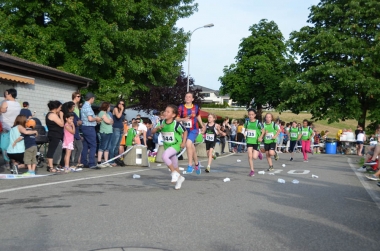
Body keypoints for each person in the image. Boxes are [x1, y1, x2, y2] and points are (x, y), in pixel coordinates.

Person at [153, 104, 187, 190]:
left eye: (168, 112)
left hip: (176, 145)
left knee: (164, 156)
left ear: (173, 115)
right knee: (174, 165)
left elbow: (185, 131)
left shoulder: (176, 124)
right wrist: (158, 128)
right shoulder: (161, 122)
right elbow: (152, 131)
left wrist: (183, 142)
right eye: (165, 111)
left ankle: (173, 173)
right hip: (167, 146)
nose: (165, 113)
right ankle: (180, 179)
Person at [176, 92, 203, 175]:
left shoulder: (196, 107)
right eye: (186, 96)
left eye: (189, 97)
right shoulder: (181, 107)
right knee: (191, 147)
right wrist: (183, 119)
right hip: (184, 130)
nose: (187, 98)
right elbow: (176, 119)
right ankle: (197, 164)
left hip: (194, 129)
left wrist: (202, 125)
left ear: (192, 99)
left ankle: (190, 166)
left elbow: (198, 116)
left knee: (188, 144)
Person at [0, 88, 21, 170]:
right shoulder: (18, 104)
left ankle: (7, 163)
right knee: (12, 146)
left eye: (6, 93)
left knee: (3, 147)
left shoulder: (5, 103)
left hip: (6, 127)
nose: (5, 95)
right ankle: (13, 162)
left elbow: (1, 111)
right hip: (14, 128)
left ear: (10, 94)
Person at [81, 93, 102, 169]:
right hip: (89, 127)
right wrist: (96, 119)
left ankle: (83, 162)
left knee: (86, 145)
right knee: (93, 145)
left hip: (85, 127)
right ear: (91, 98)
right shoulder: (88, 107)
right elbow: (90, 119)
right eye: (93, 98)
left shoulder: (84, 106)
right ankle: (92, 163)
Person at [244, 109, 264, 176]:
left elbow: (263, 131)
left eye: (252, 114)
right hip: (249, 140)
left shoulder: (258, 123)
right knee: (249, 156)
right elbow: (245, 129)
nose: (250, 116)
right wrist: (245, 133)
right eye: (249, 114)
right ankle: (252, 170)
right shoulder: (247, 122)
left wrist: (261, 137)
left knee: (254, 157)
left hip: (256, 141)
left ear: (255, 115)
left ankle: (259, 153)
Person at [46, 100, 64, 173]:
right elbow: (61, 124)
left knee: (52, 150)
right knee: (51, 150)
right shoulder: (53, 115)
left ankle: (49, 165)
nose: (60, 109)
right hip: (54, 135)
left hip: (54, 134)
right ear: (55, 107)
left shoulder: (51, 114)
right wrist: (62, 116)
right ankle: (50, 167)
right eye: (60, 107)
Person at [96, 102, 113, 168]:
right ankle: (99, 162)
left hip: (109, 132)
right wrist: (110, 121)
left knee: (107, 147)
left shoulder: (107, 114)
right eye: (109, 106)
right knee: (102, 146)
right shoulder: (102, 113)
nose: (109, 108)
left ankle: (106, 161)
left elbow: (112, 121)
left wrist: (110, 121)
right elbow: (108, 121)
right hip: (104, 132)